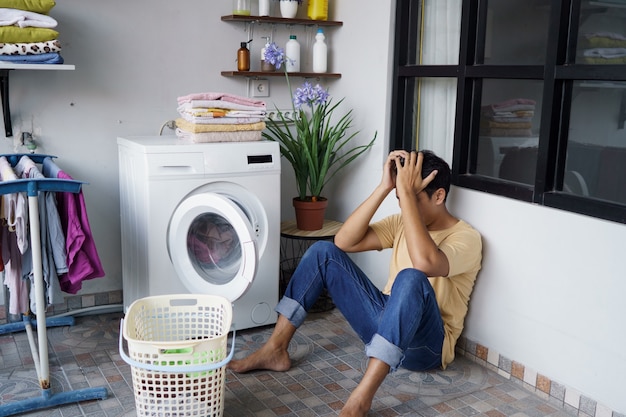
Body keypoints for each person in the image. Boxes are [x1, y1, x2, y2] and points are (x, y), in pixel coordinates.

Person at [228, 150, 482, 417]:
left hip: (426, 347)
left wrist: (405, 196)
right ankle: (275, 349)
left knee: (411, 277)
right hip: (383, 325)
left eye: (410, 199)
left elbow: (425, 264)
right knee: (322, 253)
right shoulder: (402, 222)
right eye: (400, 199)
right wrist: (385, 188)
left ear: (439, 196)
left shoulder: (466, 238)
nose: (403, 207)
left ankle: (361, 398)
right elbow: (344, 242)